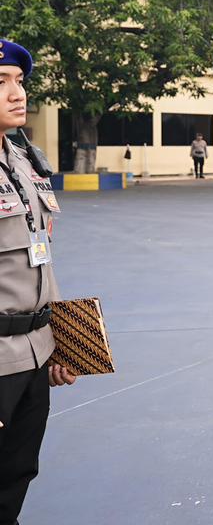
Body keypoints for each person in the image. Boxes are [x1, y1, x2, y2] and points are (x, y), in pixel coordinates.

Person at [0, 39, 78, 524]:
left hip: (33, 353)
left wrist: (58, 342)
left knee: (16, 475)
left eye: (19, 81)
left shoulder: (24, 160)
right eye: (1, 84)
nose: (17, 93)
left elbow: (38, 257)